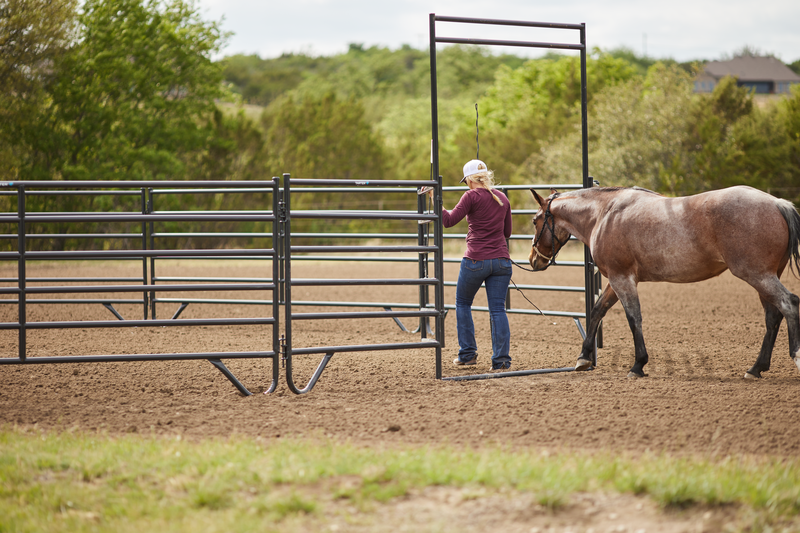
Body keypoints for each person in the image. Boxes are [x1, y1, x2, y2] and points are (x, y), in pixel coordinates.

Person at [433, 159, 513, 370]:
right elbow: (507, 233)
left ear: (469, 180)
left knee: (463, 303)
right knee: (498, 309)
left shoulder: (470, 196)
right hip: (502, 261)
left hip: (476, 259)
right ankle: (501, 360)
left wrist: (435, 201)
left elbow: (448, 221)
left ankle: (468, 354)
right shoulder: (502, 197)